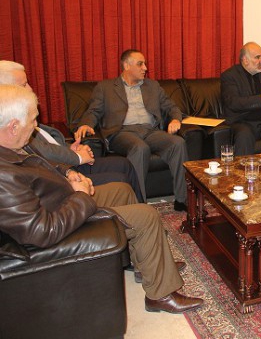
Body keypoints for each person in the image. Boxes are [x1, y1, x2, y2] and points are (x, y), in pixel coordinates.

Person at [0, 84, 203, 313]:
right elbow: (42, 231)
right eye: (32, 120)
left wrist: (67, 173)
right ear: (13, 126)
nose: (36, 125)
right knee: (146, 216)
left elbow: (42, 166)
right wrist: (80, 196)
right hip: (64, 218)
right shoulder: (3, 175)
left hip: (63, 199)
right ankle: (161, 295)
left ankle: (144, 264)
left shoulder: (13, 146)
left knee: (123, 190)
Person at [0, 60, 143, 202]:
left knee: (124, 164)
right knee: (120, 179)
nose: (30, 88)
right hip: (60, 173)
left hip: (64, 165)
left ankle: (142, 205)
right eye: (24, 84)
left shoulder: (21, 116)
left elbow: (47, 146)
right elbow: (44, 153)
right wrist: (78, 157)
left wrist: (70, 148)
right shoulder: (14, 129)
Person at [74, 49, 189, 211]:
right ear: (127, 66)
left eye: (145, 64)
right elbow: (94, 111)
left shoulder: (153, 86)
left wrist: (175, 119)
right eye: (140, 64)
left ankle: (182, 200)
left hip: (150, 131)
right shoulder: (106, 87)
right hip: (122, 132)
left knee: (177, 143)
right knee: (140, 148)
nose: (145, 68)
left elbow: (171, 107)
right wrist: (86, 124)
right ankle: (139, 203)